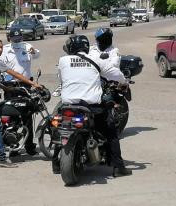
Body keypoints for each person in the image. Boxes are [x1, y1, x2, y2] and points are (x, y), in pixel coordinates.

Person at [52, 35, 132, 177]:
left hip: (68, 105)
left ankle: (56, 163)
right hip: (92, 107)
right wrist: (124, 81)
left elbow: (61, 77)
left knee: (60, 129)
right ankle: (118, 167)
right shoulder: (95, 59)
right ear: (86, 47)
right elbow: (115, 74)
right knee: (111, 131)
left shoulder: (62, 60)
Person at [0, 38, 41, 168]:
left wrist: (5, 88)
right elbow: (14, 73)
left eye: (1, 47)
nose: (0, 50)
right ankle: (1, 159)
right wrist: (31, 83)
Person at [0, 29, 40, 155]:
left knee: (27, 115)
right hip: (10, 86)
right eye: (14, 39)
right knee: (12, 116)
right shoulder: (5, 50)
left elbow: (37, 54)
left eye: (19, 38)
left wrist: (33, 51)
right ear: (9, 38)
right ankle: (14, 145)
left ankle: (29, 146)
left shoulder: (27, 46)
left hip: (25, 85)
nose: (17, 41)